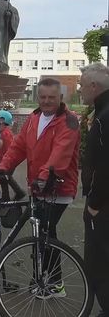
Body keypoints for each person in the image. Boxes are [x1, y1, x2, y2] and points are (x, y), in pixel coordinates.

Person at [0, 77, 80, 299]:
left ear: (60, 97)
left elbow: (59, 155)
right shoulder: (34, 118)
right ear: (37, 97)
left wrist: (43, 178)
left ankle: (54, 283)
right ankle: (44, 279)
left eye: (52, 97)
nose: (46, 101)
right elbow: (18, 147)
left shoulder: (69, 121)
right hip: (38, 187)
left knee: (46, 232)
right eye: (42, 97)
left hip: (58, 189)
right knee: (42, 232)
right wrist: (3, 167)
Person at [79, 62, 109, 316]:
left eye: (81, 86)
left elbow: (105, 163)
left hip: (103, 205)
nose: (79, 90)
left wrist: (95, 204)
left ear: (93, 86)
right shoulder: (100, 112)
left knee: (97, 262)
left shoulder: (104, 117)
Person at [0, 109, 25, 201]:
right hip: (4, 160)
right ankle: (12, 194)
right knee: (6, 178)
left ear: (3, 122)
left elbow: (9, 151)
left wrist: (3, 162)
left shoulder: (5, 134)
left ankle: (14, 194)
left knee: (4, 177)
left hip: (8, 161)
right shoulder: (2, 132)